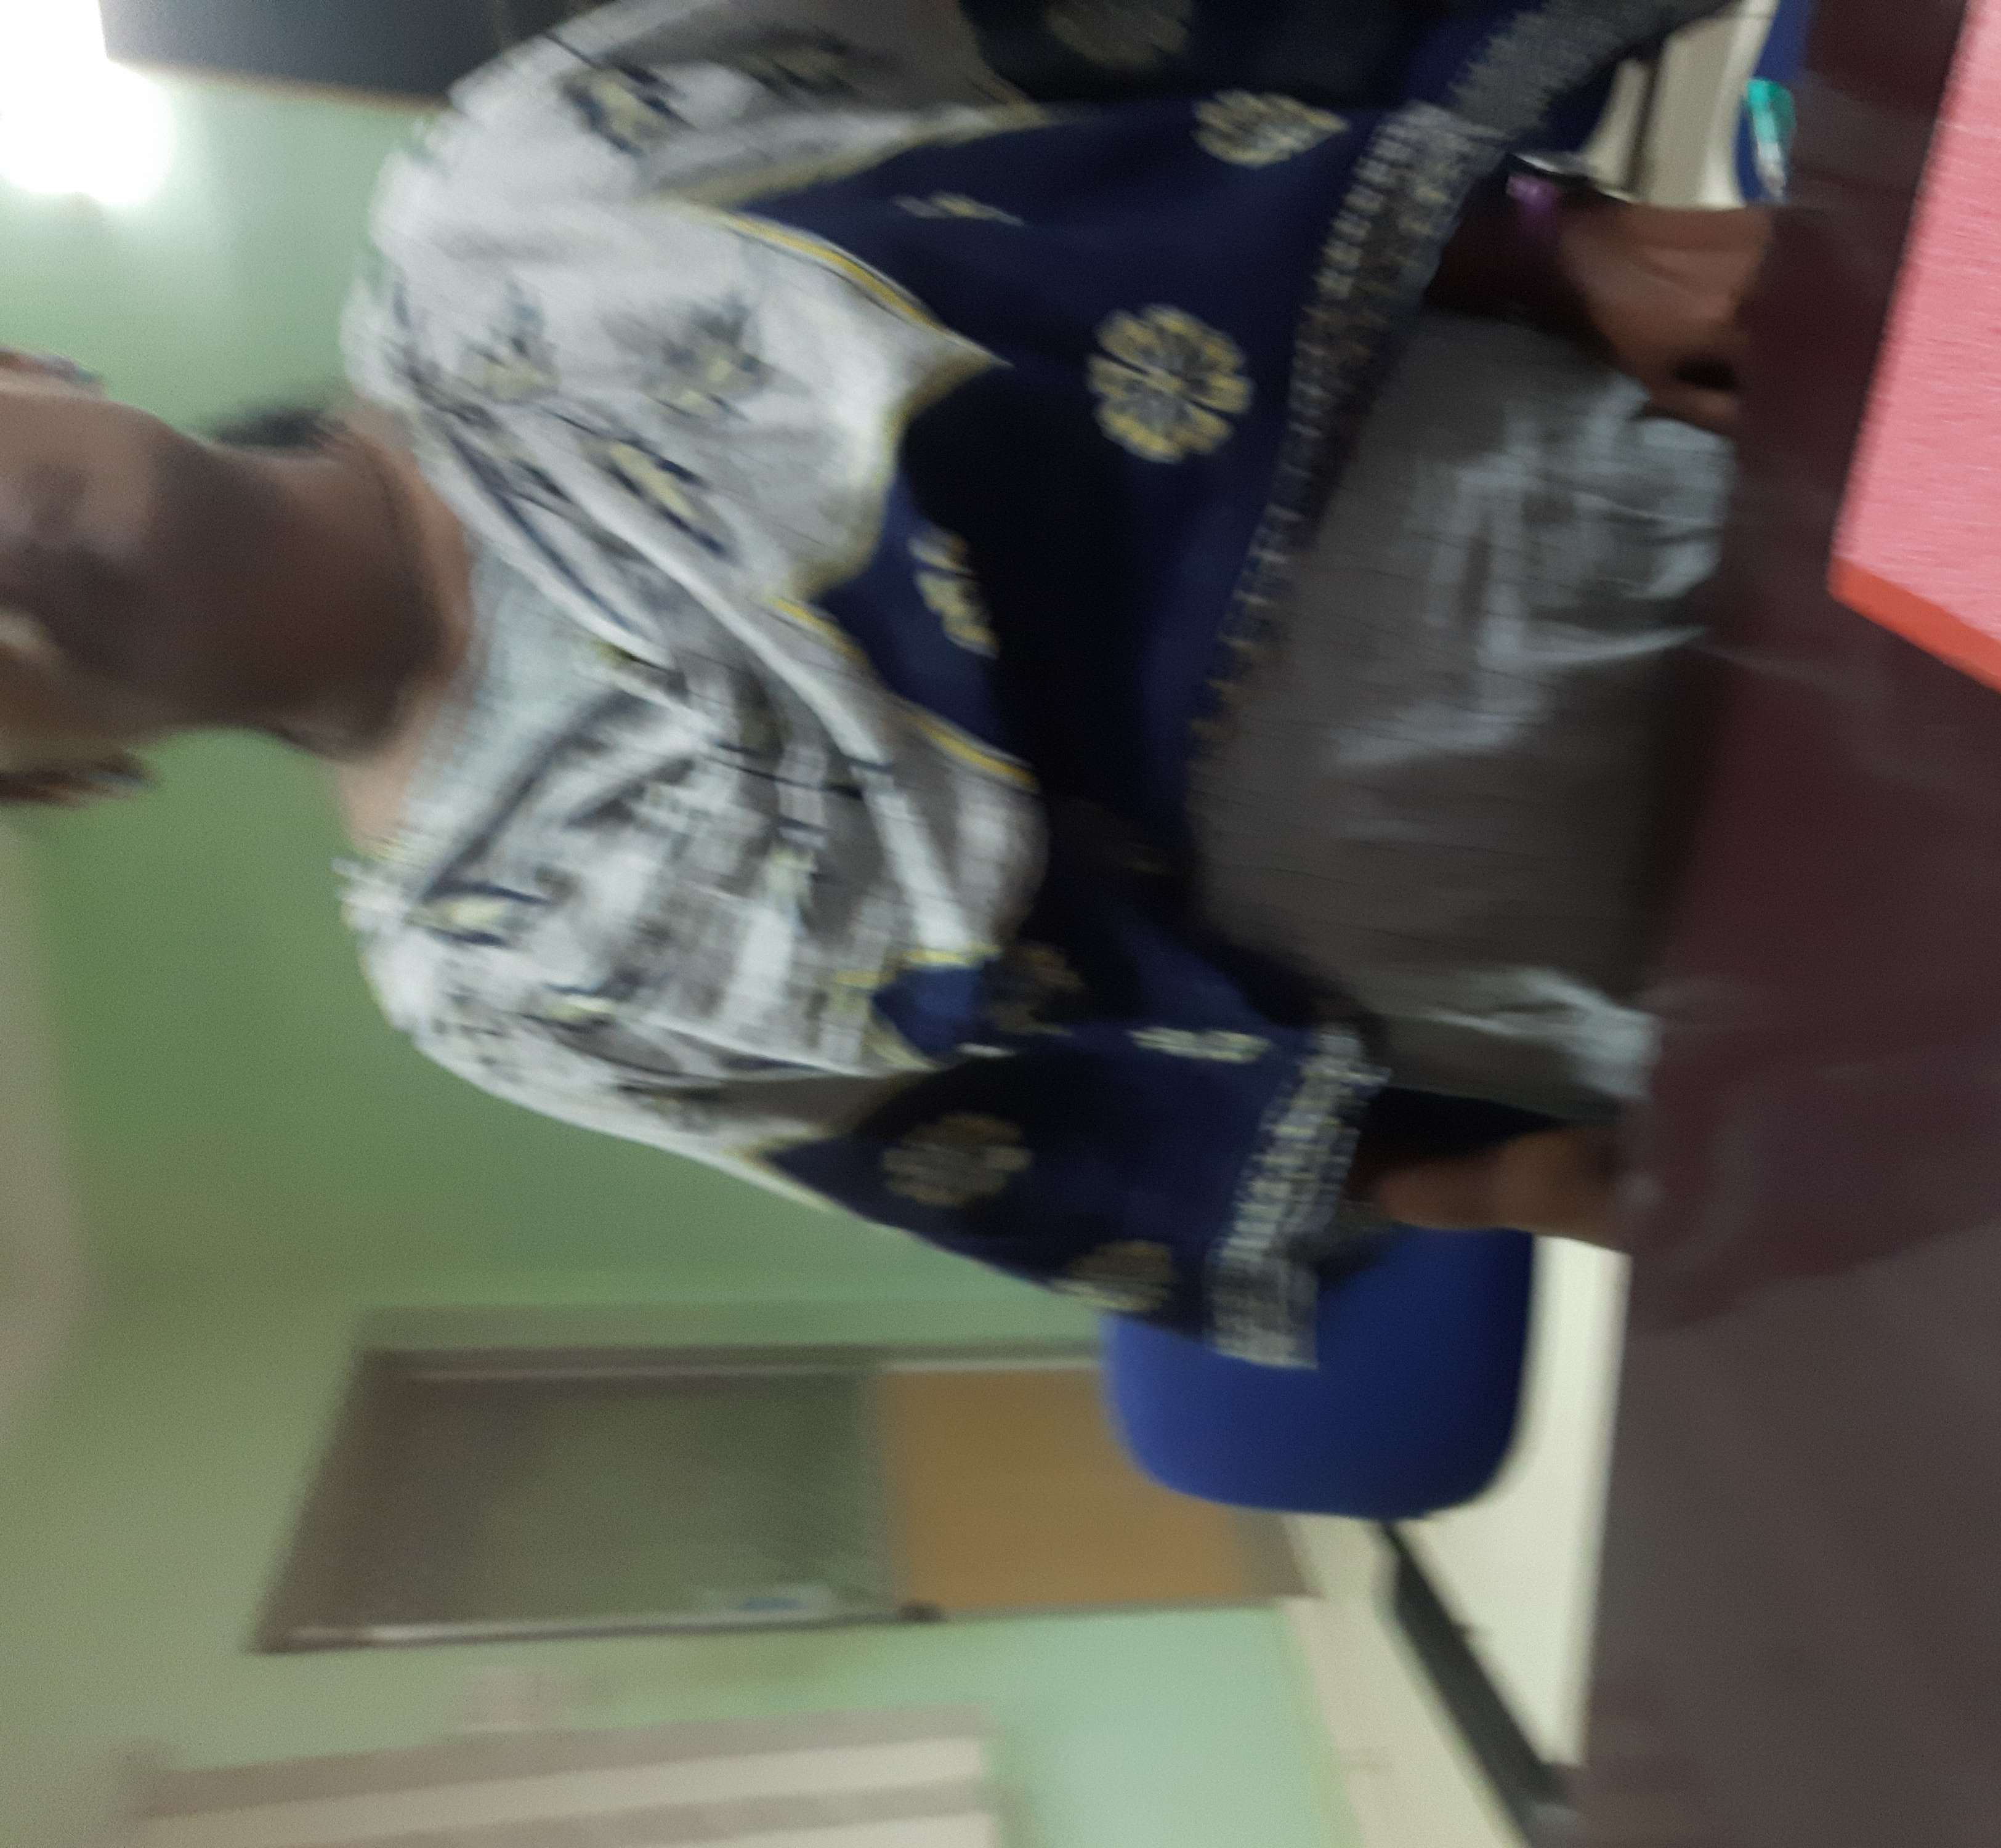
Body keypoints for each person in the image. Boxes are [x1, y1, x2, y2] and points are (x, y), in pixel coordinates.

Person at [0, 0, 1768, 1364]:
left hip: (1722, 481)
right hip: (1694, 972)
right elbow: (1039, 1137)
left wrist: (1556, 242)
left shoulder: (525, 192)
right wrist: (1546, 1181)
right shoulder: (495, 973)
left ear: (19, 361)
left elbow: (1117, 111)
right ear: (56, 781)